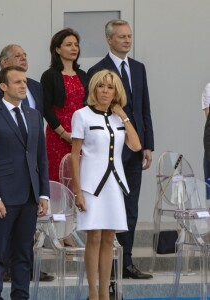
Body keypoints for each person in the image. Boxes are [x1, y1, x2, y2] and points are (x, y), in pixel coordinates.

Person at [0, 44, 53, 282]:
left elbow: (40, 157)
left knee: (23, 256)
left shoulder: (33, 115)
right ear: (3, 86)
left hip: (30, 197)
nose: (24, 86)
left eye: (25, 82)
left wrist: (44, 194)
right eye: (17, 82)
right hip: (4, 198)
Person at [87, 19, 154, 279]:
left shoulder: (138, 68)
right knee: (109, 209)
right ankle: (109, 264)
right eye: (122, 37)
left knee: (131, 207)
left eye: (129, 36)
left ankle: (126, 261)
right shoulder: (97, 70)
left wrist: (148, 144)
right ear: (109, 39)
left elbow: (144, 108)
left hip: (134, 148)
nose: (127, 40)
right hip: (108, 152)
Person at [71, 70, 141, 300]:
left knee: (110, 237)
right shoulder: (81, 115)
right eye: (101, 86)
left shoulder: (118, 117)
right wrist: (78, 191)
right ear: (94, 89)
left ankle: (105, 292)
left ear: (116, 91)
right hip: (91, 186)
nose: (105, 91)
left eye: (110, 87)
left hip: (114, 185)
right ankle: (93, 293)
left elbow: (135, 146)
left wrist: (123, 116)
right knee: (95, 236)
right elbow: (74, 156)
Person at [41, 28, 87, 182]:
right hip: (58, 134)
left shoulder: (83, 75)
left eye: (76, 45)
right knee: (59, 178)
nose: (74, 48)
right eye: (68, 45)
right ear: (57, 49)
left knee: (80, 178)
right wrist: (63, 133)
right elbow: (45, 109)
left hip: (81, 133)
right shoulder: (49, 75)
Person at [0, 44, 43, 115]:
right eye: (17, 56)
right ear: (4, 62)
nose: (24, 58)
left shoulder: (36, 86)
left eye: (25, 55)